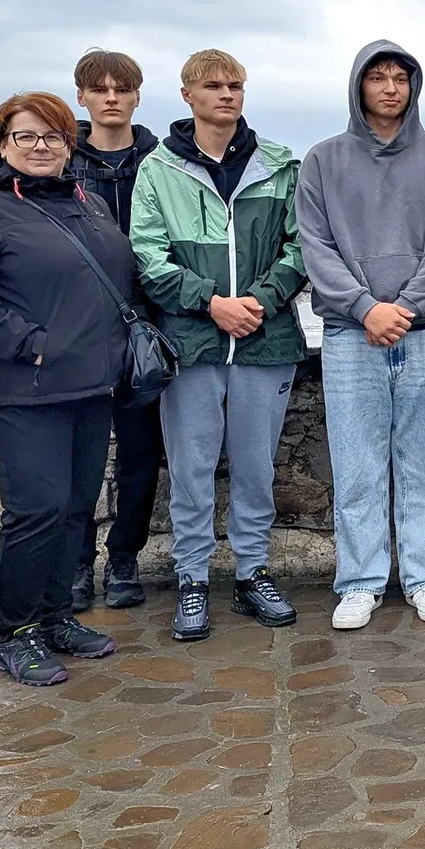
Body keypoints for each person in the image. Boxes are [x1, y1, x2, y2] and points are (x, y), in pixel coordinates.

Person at [0, 92, 127, 685]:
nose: (41, 146)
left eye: (53, 136)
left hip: (89, 385)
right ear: (2, 145)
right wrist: (32, 343)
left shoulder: (90, 204)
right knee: (36, 509)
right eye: (26, 136)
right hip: (21, 387)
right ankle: (16, 634)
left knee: (75, 507)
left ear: (70, 145)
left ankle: (56, 617)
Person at [130, 49, 308, 644]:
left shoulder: (279, 165)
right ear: (187, 95)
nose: (226, 94)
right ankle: (192, 578)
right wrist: (212, 303)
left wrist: (258, 300)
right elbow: (148, 258)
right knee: (191, 469)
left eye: (235, 85)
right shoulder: (159, 170)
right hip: (191, 346)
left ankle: (252, 573)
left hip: (265, 341)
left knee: (256, 470)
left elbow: (301, 247)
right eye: (213, 86)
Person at [298, 42, 425, 632]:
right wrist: (366, 308)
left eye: (401, 78)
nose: (390, 88)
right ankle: (361, 582)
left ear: (414, 86)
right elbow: (315, 245)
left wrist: (407, 307)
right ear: (359, 86)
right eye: (378, 78)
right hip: (350, 334)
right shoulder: (322, 161)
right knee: (357, 464)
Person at [68, 48, 164, 613]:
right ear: (81, 96)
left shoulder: (162, 159)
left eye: (121, 89)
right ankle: (77, 563)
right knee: (77, 454)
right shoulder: (60, 160)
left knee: (141, 452)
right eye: (100, 89)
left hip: (144, 325)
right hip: (77, 326)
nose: (111, 98)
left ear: (136, 96)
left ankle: (124, 557)